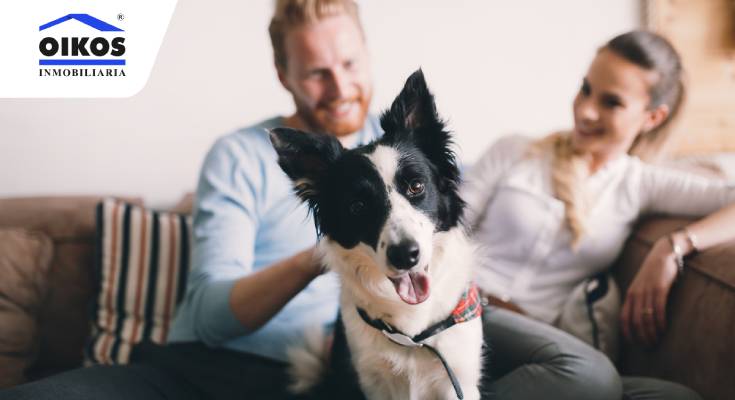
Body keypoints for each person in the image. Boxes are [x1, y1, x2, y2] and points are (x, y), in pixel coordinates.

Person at [0, 1, 380, 399]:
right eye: (318, 73)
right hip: (200, 373)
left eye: (350, 64)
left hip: (328, 379)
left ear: (367, 54)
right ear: (284, 75)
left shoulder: (409, 158)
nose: (339, 88)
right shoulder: (241, 156)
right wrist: (323, 253)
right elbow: (210, 315)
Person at [463, 30, 735, 399]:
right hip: (466, 311)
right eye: (585, 89)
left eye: (611, 102)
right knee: (591, 377)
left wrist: (673, 247)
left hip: (540, 354)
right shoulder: (514, 151)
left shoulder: (639, 184)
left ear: (653, 117)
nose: (586, 110)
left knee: (677, 397)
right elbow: (442, 232)